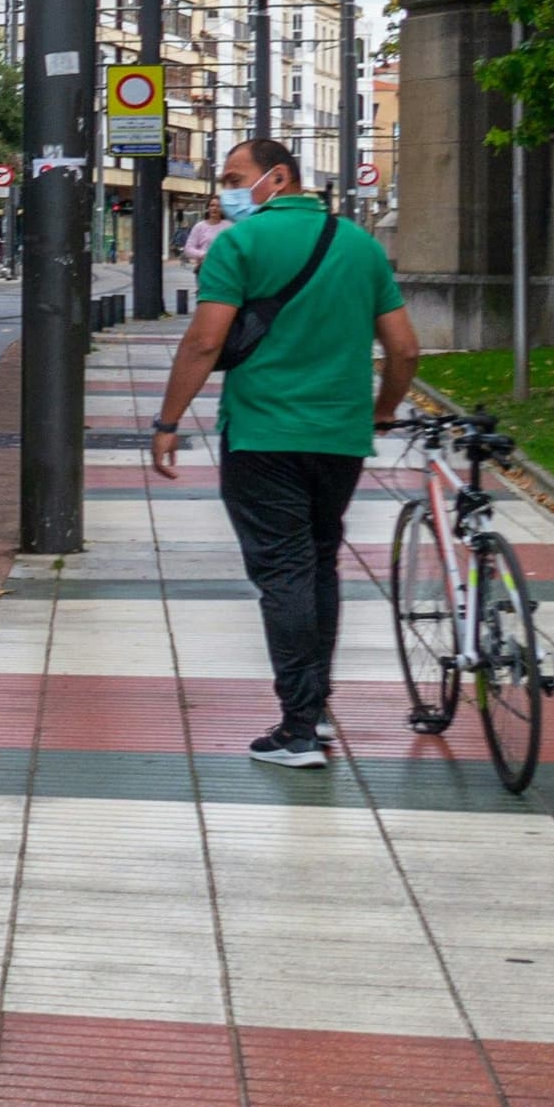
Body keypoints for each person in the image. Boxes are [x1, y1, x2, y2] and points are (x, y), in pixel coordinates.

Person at [150, 137, 421, 767]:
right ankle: (316, 709)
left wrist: (168, 422)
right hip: (341, 438)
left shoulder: (238, 244)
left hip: (264, 435)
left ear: (277, 178)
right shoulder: (359, 244)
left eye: (234, 177)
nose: (226, 190)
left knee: (284, 573)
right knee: (319, 563)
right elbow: (405, 349)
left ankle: (300, 728)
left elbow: (203, 341)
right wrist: (382, 409)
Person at [173, 206, 217, 313]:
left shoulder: (228, 225)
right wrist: (202, 255)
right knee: (203, 294)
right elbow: (189, 248)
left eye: (218, 206)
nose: (215, 209)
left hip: (222, 268)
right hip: (204, 267)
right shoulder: (200, 227)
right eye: (212, 205)